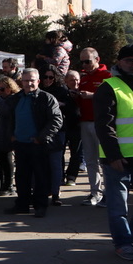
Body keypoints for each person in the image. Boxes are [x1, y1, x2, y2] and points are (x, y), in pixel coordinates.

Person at [93, 44, 133, 261]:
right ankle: (123, 242)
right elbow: (103, 125)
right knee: (118, 205)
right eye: (129, 60)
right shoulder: (109, 87)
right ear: (119, 63)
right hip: (119, 157)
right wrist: (113, 155)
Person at [3, 68, 62, 218]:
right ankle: (22, 205)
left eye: (32, 80)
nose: (29, 83)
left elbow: (56, 120)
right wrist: (11, 136)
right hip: (20, 144)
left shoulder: (46, 98)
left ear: (38, 81)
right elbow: (9, 118)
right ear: (21, 82)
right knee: (22, 177)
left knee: (41, 177)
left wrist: (40, 138)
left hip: (38, 144)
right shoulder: (16, 98)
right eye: (25, 80)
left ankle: (40, 206)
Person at [75, 47, 112, 206]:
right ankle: (94, 193)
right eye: (82, 62)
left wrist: (92, 96)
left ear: (97, 59)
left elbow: (112, 98)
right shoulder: (83, 77)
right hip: (85, 122)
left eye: (88, 61)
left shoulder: (107, 76)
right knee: (90, 160)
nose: (85, 65)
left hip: (102, 124)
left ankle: (108, 193)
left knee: (106, 161)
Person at [41, 66, 72, 206]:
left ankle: (55, 193)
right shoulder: (38, 91)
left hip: (58, 131)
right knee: (41, 164)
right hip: (40, 131)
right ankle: (43, 192)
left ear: (56, 78)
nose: (48, 80)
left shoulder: (62, 90)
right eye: (45, 77)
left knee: (55, 163)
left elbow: (72, 108)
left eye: (51, 77)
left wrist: (60, 105)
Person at [0, 75, 21, 195]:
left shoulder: (13, 98)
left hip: (7, 133)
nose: (0, 92)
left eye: (2, 89)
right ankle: (1, 184)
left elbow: (6, 111)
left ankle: (8, 185)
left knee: (6, 160)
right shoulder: (0, 98)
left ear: (10, 88)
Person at [62, 69, 84, 186]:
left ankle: (71, 176)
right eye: (71, 80)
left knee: (76, 153)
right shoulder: (62, 92)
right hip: (64, 126)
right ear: (66, 81)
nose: (75, 82)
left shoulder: (83, 92)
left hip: (78, 126)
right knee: (60, 152)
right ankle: (60, 175)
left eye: (77, 80)